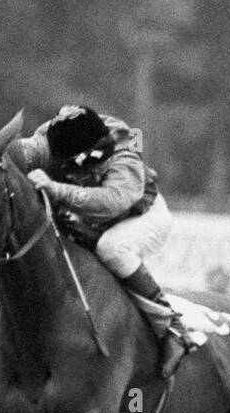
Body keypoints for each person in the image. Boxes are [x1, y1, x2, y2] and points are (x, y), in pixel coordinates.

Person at [13, 104, 198, 378]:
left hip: (139, 217)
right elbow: (15, 154)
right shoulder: (52, 138)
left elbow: (111, 202)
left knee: (111, 248)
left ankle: (172, 331)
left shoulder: (125, 156)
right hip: (89, 217)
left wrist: (55, 187)